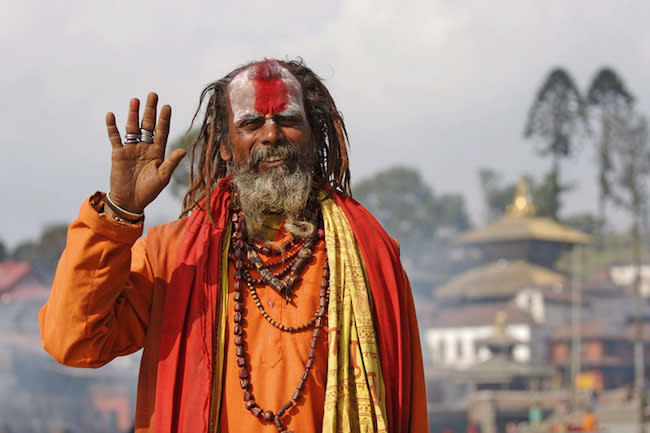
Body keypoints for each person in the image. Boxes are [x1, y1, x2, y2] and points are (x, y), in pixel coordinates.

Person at [39, 58, 429, 433]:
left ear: (314, 137)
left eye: (289, 120)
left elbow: (405, 405)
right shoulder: (172, 258)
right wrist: (119, 212)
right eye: (252, 123)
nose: (272, 135)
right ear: (226, 146)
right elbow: (73, 342)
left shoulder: (369, 255)